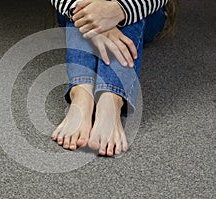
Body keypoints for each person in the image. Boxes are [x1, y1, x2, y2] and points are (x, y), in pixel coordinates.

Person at [50, 0, 176, 156]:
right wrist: (94, 17)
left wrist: (120, 10)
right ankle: (82, 93)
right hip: (76, 7)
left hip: (147, 12)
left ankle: (111, 98)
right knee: (82, 7)